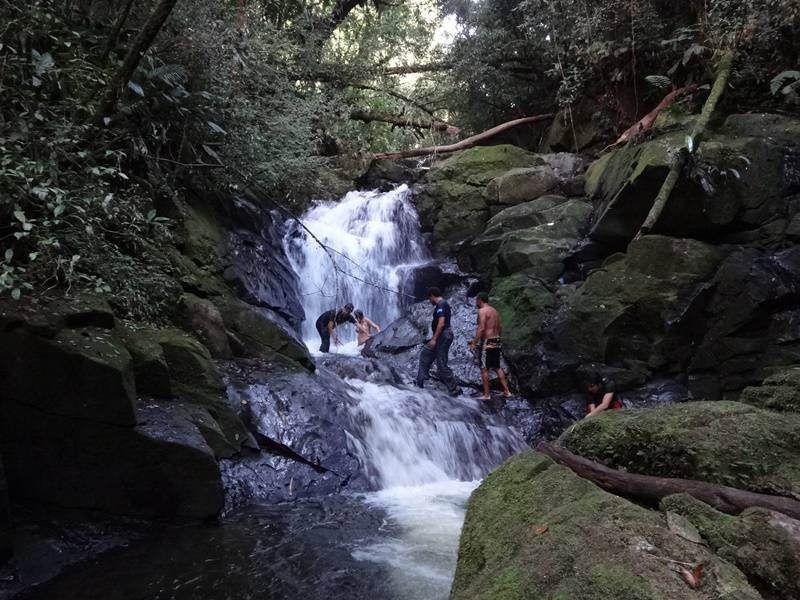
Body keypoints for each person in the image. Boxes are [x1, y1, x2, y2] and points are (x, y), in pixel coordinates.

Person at [415, 287, 460, 396]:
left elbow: (441, 323)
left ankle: (455, 389)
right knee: (425, 354)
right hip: (441, 336)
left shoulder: (441, 304)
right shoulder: (442, 304)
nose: (429, 301)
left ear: (432, 295)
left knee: (441, 364)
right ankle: (420, 381)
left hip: (443, 336)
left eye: (429, 298)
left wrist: (434, 339)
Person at [468, 292, 512, 401]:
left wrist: (474, 342)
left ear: (479, 300)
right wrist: (497, 338)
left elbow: (481, 328)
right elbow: (500, 327)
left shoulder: (482, 311)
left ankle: (486, 395)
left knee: (484, 368)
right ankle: (507, 391)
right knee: (497, 367)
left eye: (476, 300)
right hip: (496, 340)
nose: (475, 302)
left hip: (487, 342)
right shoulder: (494, 311)